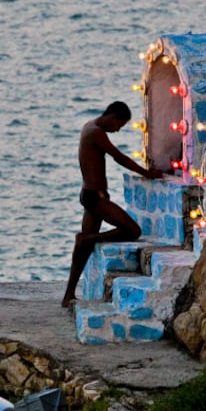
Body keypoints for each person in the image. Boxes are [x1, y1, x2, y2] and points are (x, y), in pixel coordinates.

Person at [62, 101, 163, 307]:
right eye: (119, 125)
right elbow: (119, 158)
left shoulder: (88, 126)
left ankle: (68, 295)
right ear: (113, 117)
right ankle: (87, 239)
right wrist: (147, 173)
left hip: (89, 194)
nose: (117, 130)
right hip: (96, 198)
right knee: (133, 230)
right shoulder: (97, 132)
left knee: (84, 249)